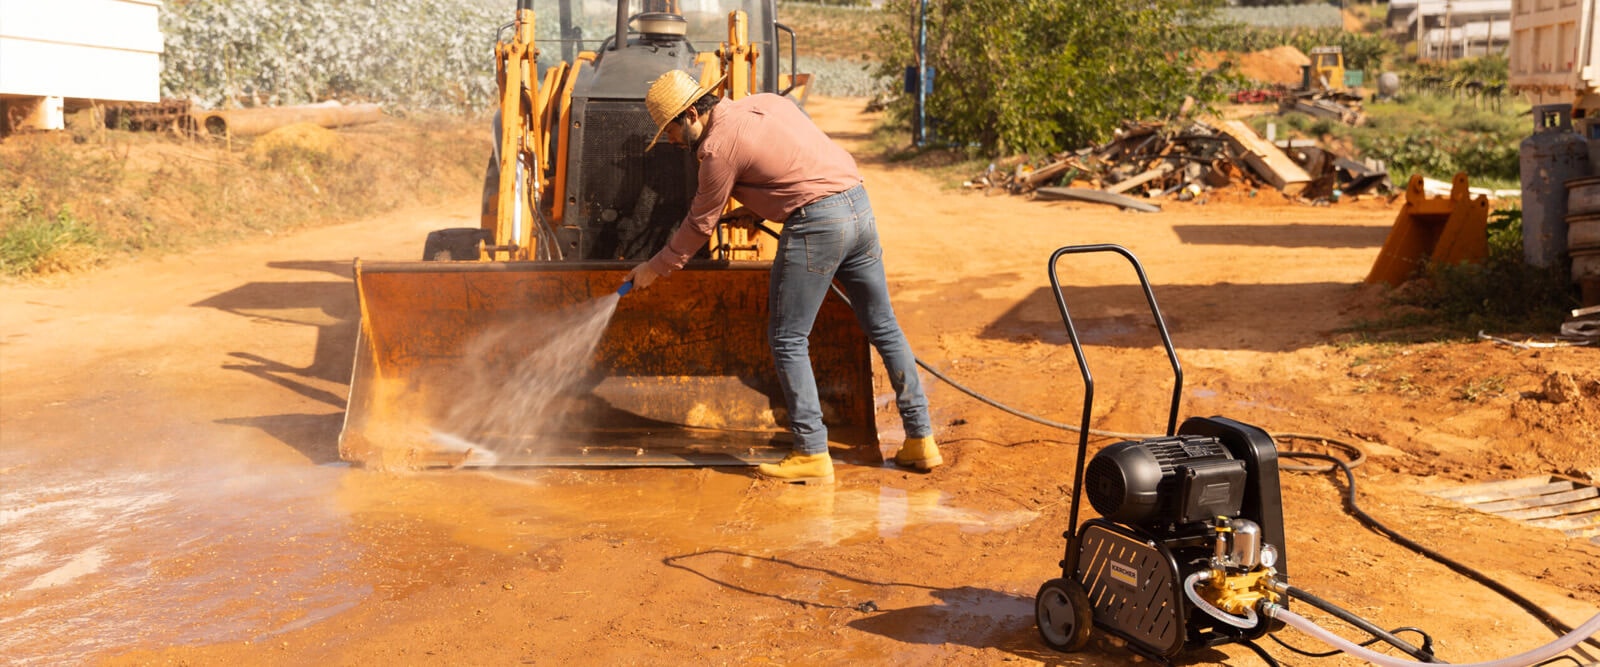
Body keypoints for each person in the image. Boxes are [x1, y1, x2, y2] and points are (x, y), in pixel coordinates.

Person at [624, 69, 939, 485]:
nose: (671, 141)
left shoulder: (716, 150)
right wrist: (755, 208)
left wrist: (655, 267)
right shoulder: (767, 101)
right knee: (883, 325)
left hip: (817, 225)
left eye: (671, 130)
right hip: (858, 207)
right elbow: (795, 160)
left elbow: (699, 226)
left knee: (788, 337)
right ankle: (921, 438)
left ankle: (811, 450)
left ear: (691, 114)